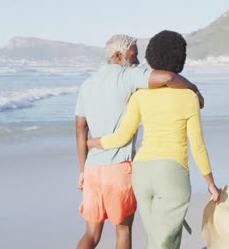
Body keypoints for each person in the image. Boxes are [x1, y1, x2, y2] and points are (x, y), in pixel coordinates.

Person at [87, 30, 220, 249]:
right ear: (180, 59)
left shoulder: (140, 94)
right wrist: (210, 184)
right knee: (163, 244)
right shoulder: (189, 97)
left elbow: (122, 136)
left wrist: (92, 143)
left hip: (142, 174)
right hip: (171, 173)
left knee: (158, 240)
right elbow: (197, 145)